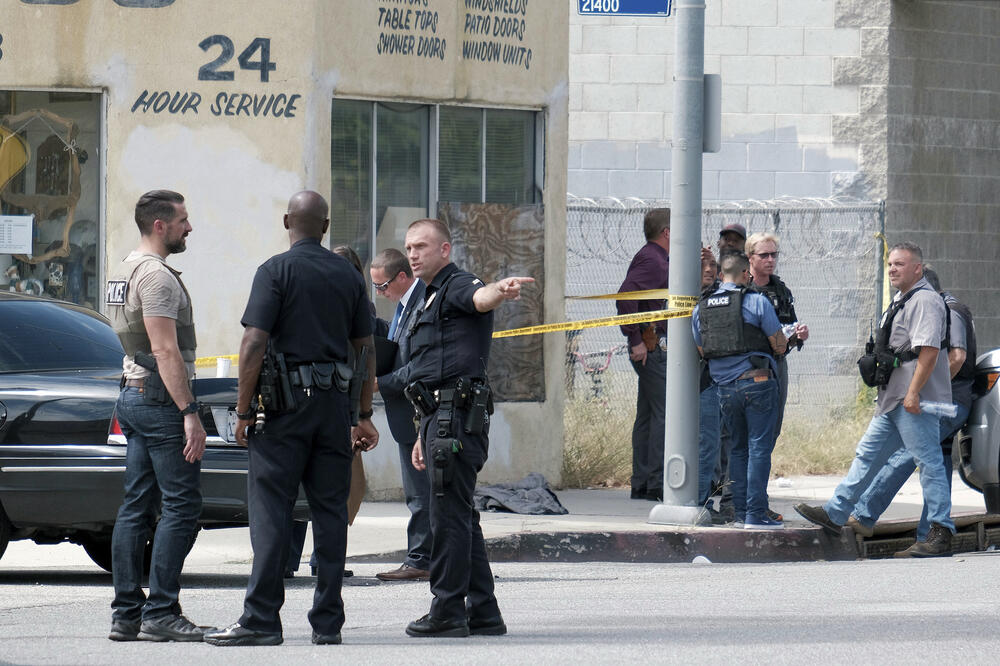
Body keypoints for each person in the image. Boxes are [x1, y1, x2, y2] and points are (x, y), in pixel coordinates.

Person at [205, 191, 378, 647]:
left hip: (283, 410)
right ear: (325, 226)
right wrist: (362, 413)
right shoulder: (348, 274)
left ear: (287, 221)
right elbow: (365, 347)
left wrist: (243, 412)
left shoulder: (274, 271)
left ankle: (261, 619)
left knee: (270, 512)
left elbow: (253, 344)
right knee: (330, 513)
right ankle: (328, 623)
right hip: (333, 409)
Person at [398, 218, 532, 638]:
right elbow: (434, 369)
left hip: (455, 419)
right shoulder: (428, 295)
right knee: (461, 516)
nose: (414, 254)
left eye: (422, 246)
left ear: (444, 250)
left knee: (447, 520)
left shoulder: (457, 283)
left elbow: (479, 298)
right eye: (408, 248)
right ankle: (485, 611)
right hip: (443, 418)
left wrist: (500, 289)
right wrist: (423, 431)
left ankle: (447, 610)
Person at [795, 242, 956, 557]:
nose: (893, 269)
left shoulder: (925, 300)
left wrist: (913, 393)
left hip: (912, 399)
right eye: (890, 263)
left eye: (900, 264)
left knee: (929, 463)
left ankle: (941, 531)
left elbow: (929, 351)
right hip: (893, 398)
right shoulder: (902, 299)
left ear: (917, 269)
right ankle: (835, 513)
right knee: (867, 456)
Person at [106, 189, 209, 642]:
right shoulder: (157, 278)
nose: (190, 227)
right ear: (160, 225)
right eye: (183, 220)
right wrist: (190, 411)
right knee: (182, 507)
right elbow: (165, 349)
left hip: (132, 395)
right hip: (160, 402)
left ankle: (127, 613)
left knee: (135, 507)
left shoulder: (123, 269)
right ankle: (161, 610)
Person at [848, 267, 975, 547]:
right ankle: (930, 536)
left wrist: (924, 389)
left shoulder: (947, 308)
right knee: (937, 462)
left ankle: (864, 515)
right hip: (951, 399)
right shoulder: (947, 305)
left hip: (947, 400)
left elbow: (957, 357)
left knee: (907, 453)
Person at [285, 244, 371, 580]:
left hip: (339, 408)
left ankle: (321, 560)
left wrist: (359, 416)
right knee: (313, 488)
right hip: (320, 406)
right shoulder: (318, 304)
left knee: (337, 490)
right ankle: (293, 559)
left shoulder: (355, 308)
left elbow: (362, 363)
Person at [692, 251, 787, 529]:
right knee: (759, 448)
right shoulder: (756, 301)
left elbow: (702, 349)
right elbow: (779, 344)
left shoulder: (702, 308)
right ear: (746, 274)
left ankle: (741, 514)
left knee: (737, 449)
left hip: (723, 389)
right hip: (757, 383)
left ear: (721, 275)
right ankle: (756, 515)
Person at [369, 248, 431, 581]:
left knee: (421, 492)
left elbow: (420, 366)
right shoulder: (403, 307)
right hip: (405, 412)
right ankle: (426, 557)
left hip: (418, 413)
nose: (380, 293)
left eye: (383, 286)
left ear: (402, 277)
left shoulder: (422, 305)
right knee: (419, 491)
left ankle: (421, 559)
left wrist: (383, 383)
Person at [616, 208, 670, 502]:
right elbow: (625, 296)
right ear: (667, 232)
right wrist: (635, 338)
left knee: (650, 414)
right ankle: (656, 481)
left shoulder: (660, 259)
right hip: (651, 344)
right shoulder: (652, 258)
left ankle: (644, 482)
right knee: (665, 413)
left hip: (653, 344)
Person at [745, 231, 809, 439]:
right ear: (750, 257)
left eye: (774, 255)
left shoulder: (780, 290)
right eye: (764, 255)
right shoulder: (741, 290)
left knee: (773, 426)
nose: (770, 260)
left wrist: (798, 335)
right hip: (746, 365)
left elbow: (790, 324)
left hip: (776, 362)